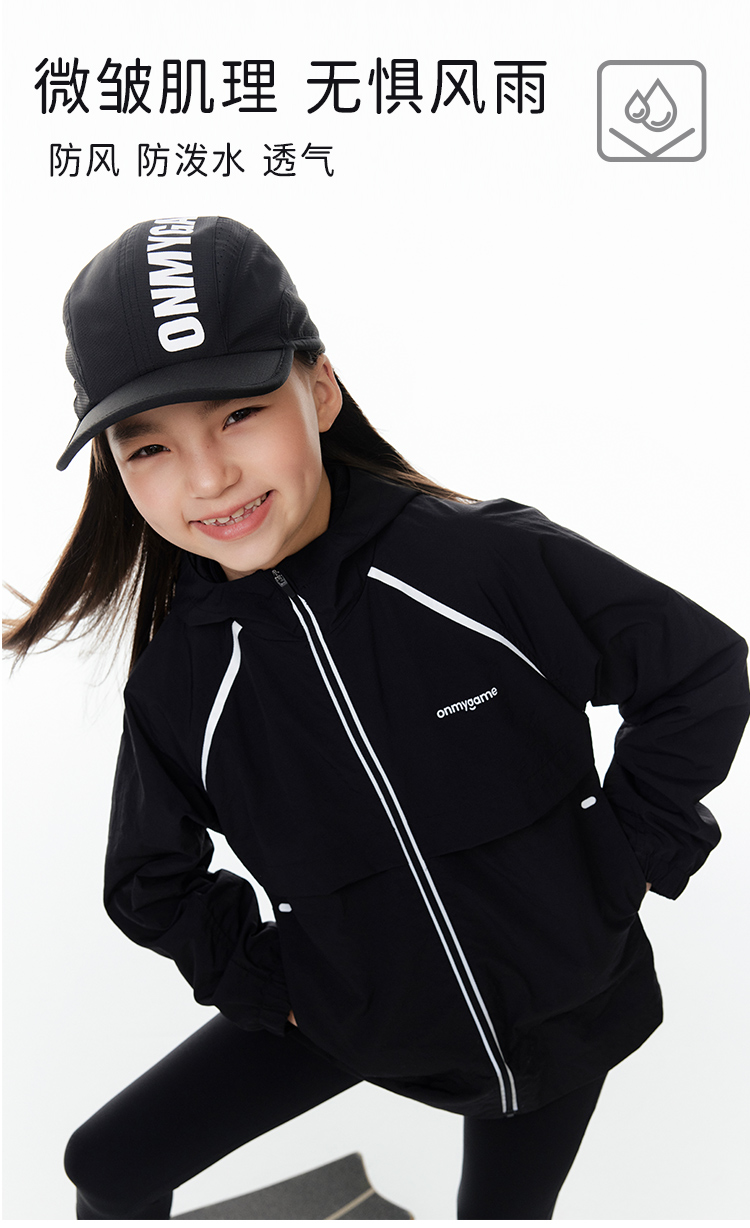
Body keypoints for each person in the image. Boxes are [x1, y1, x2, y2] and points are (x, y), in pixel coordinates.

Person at [5, 215, 748, 1220]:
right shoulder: (183, 680)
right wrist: (278, 986)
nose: (208, 477)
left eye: (238, 413)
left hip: (567, 995)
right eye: (150, 446)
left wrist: (626, 861)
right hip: (363, 1007)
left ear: (319, 387)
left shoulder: (479, 562)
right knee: (108, 1161)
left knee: (503, 1215)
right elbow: (148, 881)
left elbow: (701, 672)